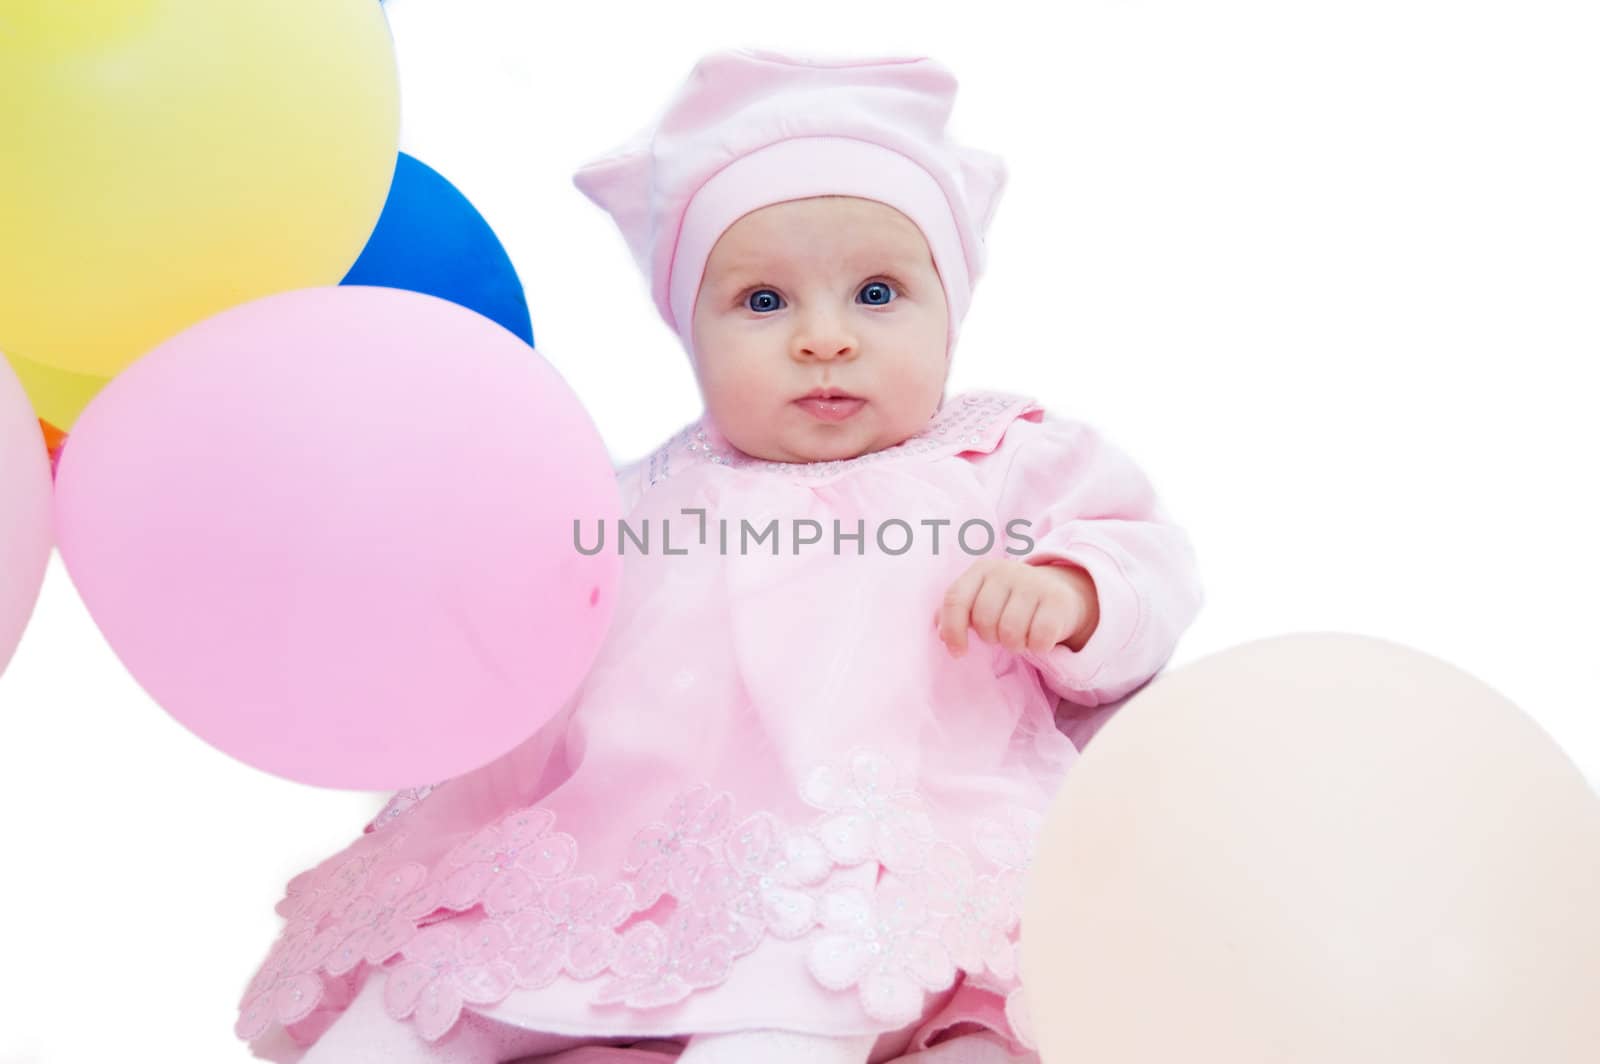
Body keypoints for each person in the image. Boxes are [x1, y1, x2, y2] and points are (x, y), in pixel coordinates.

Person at [239, 48, 1205, 1064]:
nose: (823, 338)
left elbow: (1147, 558)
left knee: (798, 985)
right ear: (688, 331)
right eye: (761, 301)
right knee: (440, 984)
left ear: (949, 309)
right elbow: (534, 624)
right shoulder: (637, 494)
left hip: (857, 850)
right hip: (619, 842)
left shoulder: (997, 456)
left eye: (877, 293)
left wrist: (1068, 589)